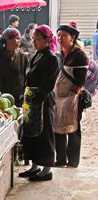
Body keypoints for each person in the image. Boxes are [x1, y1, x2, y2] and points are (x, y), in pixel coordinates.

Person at [19, 25, 59, 181]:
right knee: (31, 134)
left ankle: (47, 169)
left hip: (43, 101)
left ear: (47, 40)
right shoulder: (35, 56)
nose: (34, 41)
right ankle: (35, 166)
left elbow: (49, 83)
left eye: (38, 39)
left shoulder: (52, 58)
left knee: (45, 133)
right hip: (31, 101)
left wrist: (38, 97)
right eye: (33, 38)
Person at [54, 22, 89, 168]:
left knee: (73, 129)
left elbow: (80, 82)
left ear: (72, 37)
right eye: (59, 36)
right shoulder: (59, 54)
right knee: (58, 128)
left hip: (73, 99)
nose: (60, 39)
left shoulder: (80, 56)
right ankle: (61, 159)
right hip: (58, 98)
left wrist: (71, 97)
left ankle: (73, 161)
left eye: (64, 36)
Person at [0, 28, 28, 106]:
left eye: (19, 38)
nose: (18, 41)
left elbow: (25, 77)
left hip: (19, 97)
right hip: (1, 99)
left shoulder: (23, 57)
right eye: (16, 38)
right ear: (7, 40)